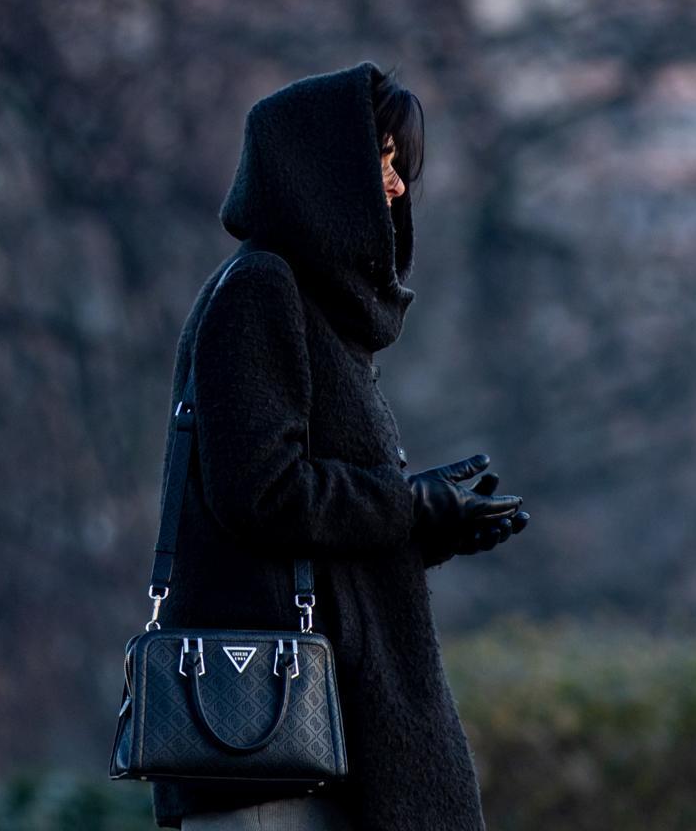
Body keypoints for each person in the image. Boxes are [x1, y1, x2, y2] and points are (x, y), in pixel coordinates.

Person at [154, 61, 530, 830]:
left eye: (400, 166)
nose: (396, 187)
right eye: (383, 159)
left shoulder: (318, 312)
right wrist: (410, 505)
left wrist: (429, 525)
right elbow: (263, 495)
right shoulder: (262, 291)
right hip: (269, 743)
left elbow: (310, 527)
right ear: (324, 171)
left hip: (330, 741)